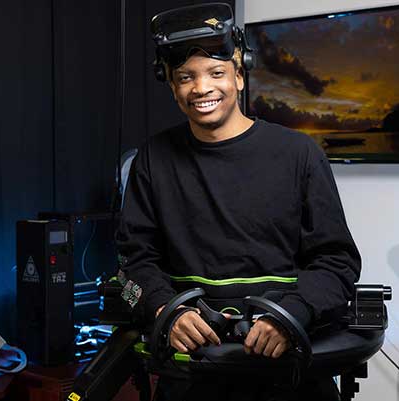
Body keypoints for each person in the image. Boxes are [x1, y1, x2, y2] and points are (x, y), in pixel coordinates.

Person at [115, 4, 360, 400]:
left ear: (240, 76)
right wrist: (164, 311)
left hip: (287, 373)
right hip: (193, 375)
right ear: (172, 86)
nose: (201, 88)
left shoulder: (299, 154)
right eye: (185, 77)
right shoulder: (153, 159)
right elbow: (129, 270)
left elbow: (339, 264)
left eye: (216, 73)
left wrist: (291, 315)